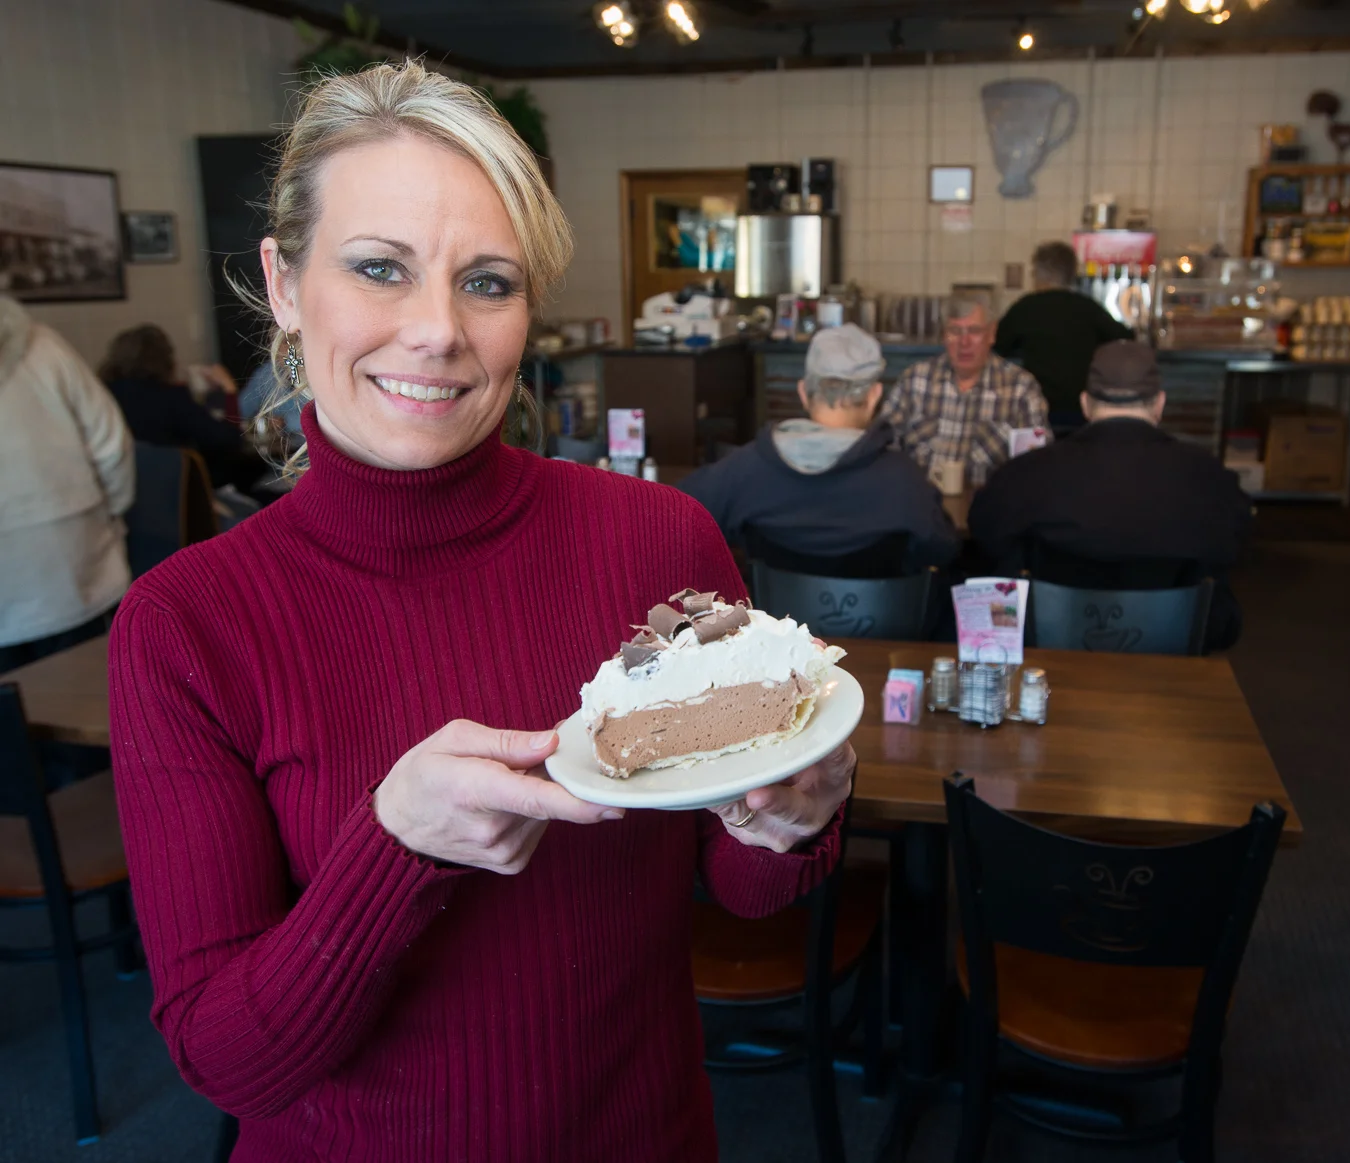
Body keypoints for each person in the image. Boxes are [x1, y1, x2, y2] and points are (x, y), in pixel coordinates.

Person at [108, 61, 852, 1163]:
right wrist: (397, 844)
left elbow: (743, 887)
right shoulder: (188, 624)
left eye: (487, 282)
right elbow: (228, 1059)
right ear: (280, 279)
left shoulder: (659, 540)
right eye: (377, 268)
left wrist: (792, 814)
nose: (435, 331)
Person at [968, 340, 1252, 650]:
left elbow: (984, 531)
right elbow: (1232, 545)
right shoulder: (1210, 477)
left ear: (1085, 404)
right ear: (1159, 404)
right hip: (1176, 648)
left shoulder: (1026, 473)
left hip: (1047, 645)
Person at [679, 323, 958, 576]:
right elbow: (943, 549)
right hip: (884, 630)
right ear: (874, 396)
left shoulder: (746, 468)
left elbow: (676, 517)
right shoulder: (905, 480)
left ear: (803, 392)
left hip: (773, 630)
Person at [0, 295, 134, 673]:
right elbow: (112, 446)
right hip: (74, 567)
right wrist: (109, 518)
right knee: (91, 698)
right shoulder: (44, 347)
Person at [880, 296, 1049, 491]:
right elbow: (883, 448)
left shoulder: (1021, 389)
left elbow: (1036, 467)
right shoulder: (914, 381)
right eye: (955, 331)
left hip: (989, 511)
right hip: (920, 509)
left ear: (992, 334)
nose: (964, 342)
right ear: (944, 335)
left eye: (975, 331)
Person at [99, 324, 267, 495]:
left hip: (120, 488)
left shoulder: (104, 394)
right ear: (165, 360)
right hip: (174, 491)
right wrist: (229, 390)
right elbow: (229, 439)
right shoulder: (169, 397)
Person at [994, 240, 1133, 430]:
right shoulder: (1087, 308)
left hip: (1038, 413)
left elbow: (997, 348)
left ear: (1039, 274)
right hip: (1082, 413)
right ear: (1071, 275)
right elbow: (1126, 338)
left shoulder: (1026, 308)